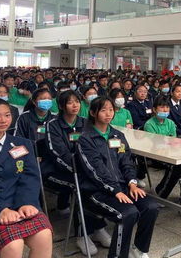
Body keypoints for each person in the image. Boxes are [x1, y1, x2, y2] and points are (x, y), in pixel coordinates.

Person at [76, 96, 159, 258]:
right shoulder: (85, 138)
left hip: (122, 186)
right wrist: (115, 190)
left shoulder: (117, 135)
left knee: (151, 207)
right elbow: (95, 170)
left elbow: (127, 162)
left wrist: (132, 183)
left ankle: (140, 249)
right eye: (103, 110)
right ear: (93, 112)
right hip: (96, 191)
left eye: (111, 110)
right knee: (127, 213)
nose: (108, 113)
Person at [42, 90, 111, 255]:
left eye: (77, 102)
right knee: (82, 186)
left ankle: (98, 227)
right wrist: (82, 171)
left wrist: (90, 170)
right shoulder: (53, 125)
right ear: (61, 106)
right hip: (55, 171)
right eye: (70, 102)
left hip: (82, 169)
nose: (75, 105)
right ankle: (82, 234)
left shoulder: (85, 122)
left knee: (97, 182)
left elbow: (94, 148)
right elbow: (58, 155)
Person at [0, 99, 53, 258]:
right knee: (14, 245)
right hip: (0, 207)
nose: (3, 120)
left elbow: (30, 177)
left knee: (44, 235)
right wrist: (1, 208)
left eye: (7, 115)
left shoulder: (22, 144)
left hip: (20, 203)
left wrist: (26, 202)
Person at [144, 96, 181, 199]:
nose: (165, 110)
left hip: (169, 152)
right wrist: (168, 142)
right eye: (162, 107)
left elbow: (173, 140)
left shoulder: (170, 123)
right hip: (155, 154)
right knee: (175, 167)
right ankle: (161, 194)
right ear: (154, 109)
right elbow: (154, 143)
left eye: (167, 107)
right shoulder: (149, 124)